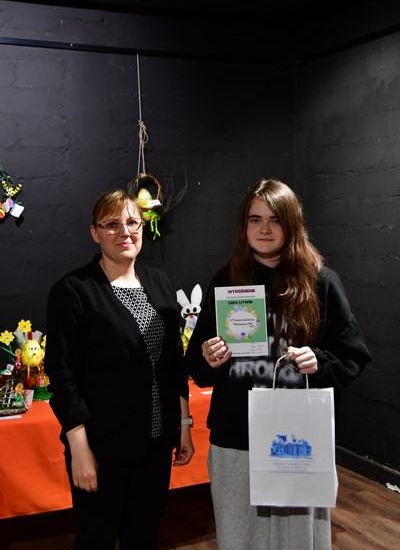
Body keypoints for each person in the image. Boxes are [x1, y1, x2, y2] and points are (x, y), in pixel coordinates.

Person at [185, 178, 370, 550]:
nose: (264, 229)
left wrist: (319, 362)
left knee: (297, 539)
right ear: (244, 227)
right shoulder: (226, 280)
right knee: (239, 537)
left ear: (292, 224)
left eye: (275, 220)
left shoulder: (320, 280)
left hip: (298, 436)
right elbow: (198, 367)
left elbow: (353, 356)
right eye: (255, 219)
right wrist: (207, 356)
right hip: (236, 436)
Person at [45, 189, 194, 550]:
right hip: (102, 447)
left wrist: (184, 425)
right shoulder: (73, 291)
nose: (124, 232)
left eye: (132, 223)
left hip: (156, 443)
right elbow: (63, 377)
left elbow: (174, 363)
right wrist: (80, 449)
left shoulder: (159, 282)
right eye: (112, 224)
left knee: (143, 537)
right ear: (94, 233)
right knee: (95, 538)